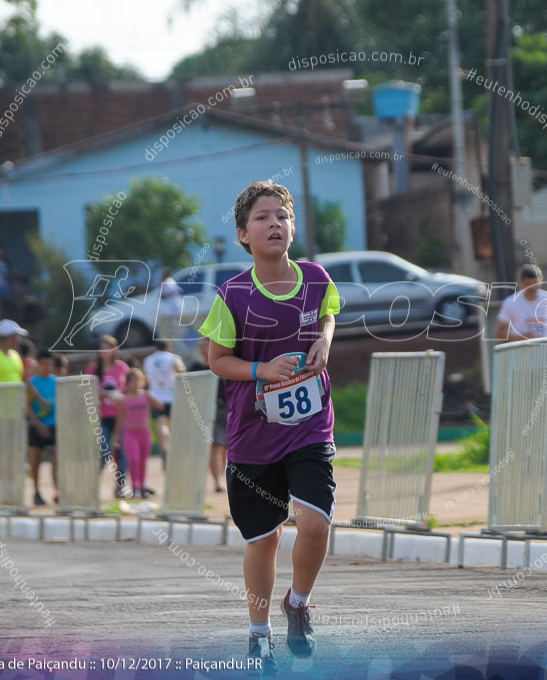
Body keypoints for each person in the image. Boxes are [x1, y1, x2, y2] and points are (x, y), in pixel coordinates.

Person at [199, 181, 340, 670]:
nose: (274, 223)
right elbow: (216, 359)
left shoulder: (317, 278)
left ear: (292, 227)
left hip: (309, 427)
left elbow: (327, 314)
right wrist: (262, 370)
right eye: (262, 217)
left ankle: (298, 604)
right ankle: (258, 635)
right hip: (253, 439)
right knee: (264, 539)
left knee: (315, 526)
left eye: (281, 215)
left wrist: (324, 340)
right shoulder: (232, 295)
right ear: (243, 234)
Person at [86, 335, 132, 498]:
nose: (104, 351)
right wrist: (105, 394)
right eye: (102, 348)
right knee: (104, 450)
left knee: (122, 451)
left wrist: (118, 396)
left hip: (120, 416)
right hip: (102, 417)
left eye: (108, 347)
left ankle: (120, 486)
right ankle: (91, 484)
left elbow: (128, 390)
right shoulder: (93, 370)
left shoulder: (121, 367)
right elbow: (88, 392)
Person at [113, 368, 162, 499]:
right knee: (134, 459)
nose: (135, 384)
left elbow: (160, 406)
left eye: (138, 380)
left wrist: (153, 395)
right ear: (127, 383)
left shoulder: (145, 395)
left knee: (143, 461)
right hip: (130, 432)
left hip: (144, 432)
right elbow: (121, 417)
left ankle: (142, 488)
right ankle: (135, 487)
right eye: (132, 381)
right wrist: (117, 435)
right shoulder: (125, 399)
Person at [0, 318, 46, 409]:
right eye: (17, 336)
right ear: (11, 336)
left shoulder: (15, 355)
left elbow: (24, 380)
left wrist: (40, 399)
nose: (19, 339)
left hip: (15, 410)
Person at [496, 264, 547, 353]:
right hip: (521, 356)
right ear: (521, 283)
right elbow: (500, 334)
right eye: (528, 284)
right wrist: (521, 338)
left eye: (535, 283)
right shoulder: (511, 302)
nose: (532, 287)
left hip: (544, 354)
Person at [143, 340, 185, 469]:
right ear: (169, 347)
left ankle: (164, 450)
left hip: (156, 396)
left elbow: (146, 379)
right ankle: (174, 452)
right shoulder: (173, 358)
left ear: (155, 347)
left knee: (162, 426)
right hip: (172, 396)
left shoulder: (148, 360)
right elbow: (181, 370)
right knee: (175, 427)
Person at [26, 350, 60, 506]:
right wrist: (38, 424)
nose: (47, 367)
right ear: (38, 364)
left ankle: (58, 490)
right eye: (44, 364)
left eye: (50, 364)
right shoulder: (32, 382)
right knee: (36, 459)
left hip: (55, 425)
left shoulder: (57, 381)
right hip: (36, 426)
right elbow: (27, 406)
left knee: (57, 459)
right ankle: (36, 492)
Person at [195, 336, 228, 492]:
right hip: (206, 410)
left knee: (226, 447)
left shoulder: (223, 363)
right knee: (215, 445)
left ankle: (223, 476)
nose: (203, 348)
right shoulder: (195, 367)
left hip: (225, 408)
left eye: (206, 345)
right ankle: (218, 480)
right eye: (201, 345)